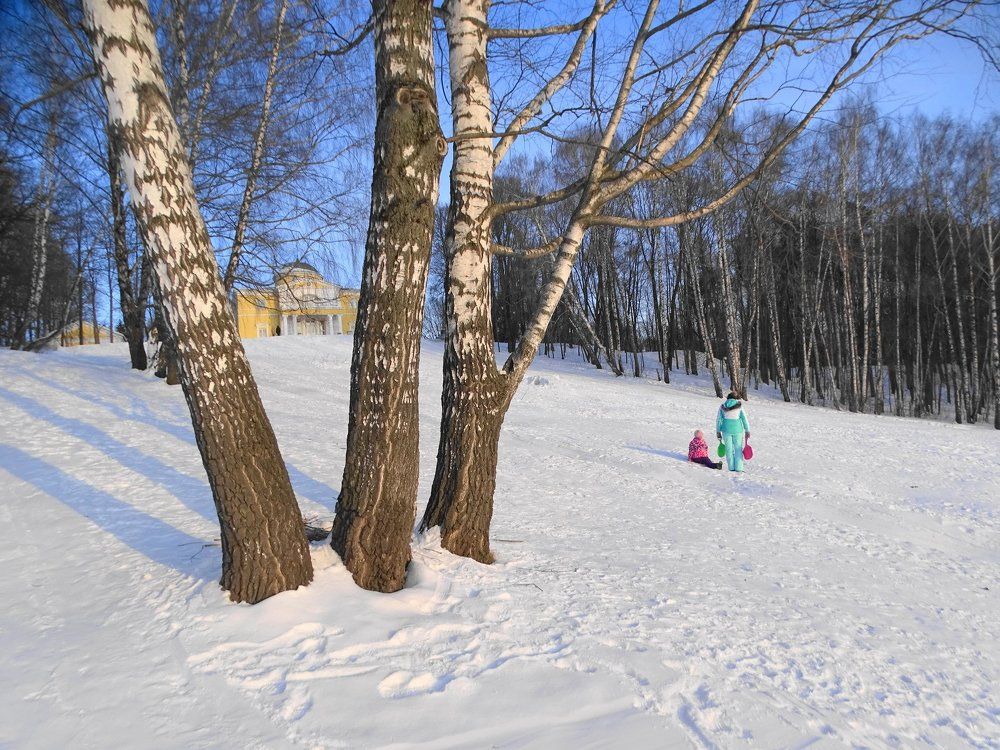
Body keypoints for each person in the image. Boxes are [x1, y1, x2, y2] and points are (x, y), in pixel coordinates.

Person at [716, 391, 750, 472]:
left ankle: (731, 468)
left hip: (726, 430)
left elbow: (719, 420)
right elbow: (744, 419)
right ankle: (739, 468)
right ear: (736, 398)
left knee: (728, 449)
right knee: (738, 449)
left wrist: (718, 431)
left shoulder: (722, 406)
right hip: (738, 430)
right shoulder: (739, 406)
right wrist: (747, 430)